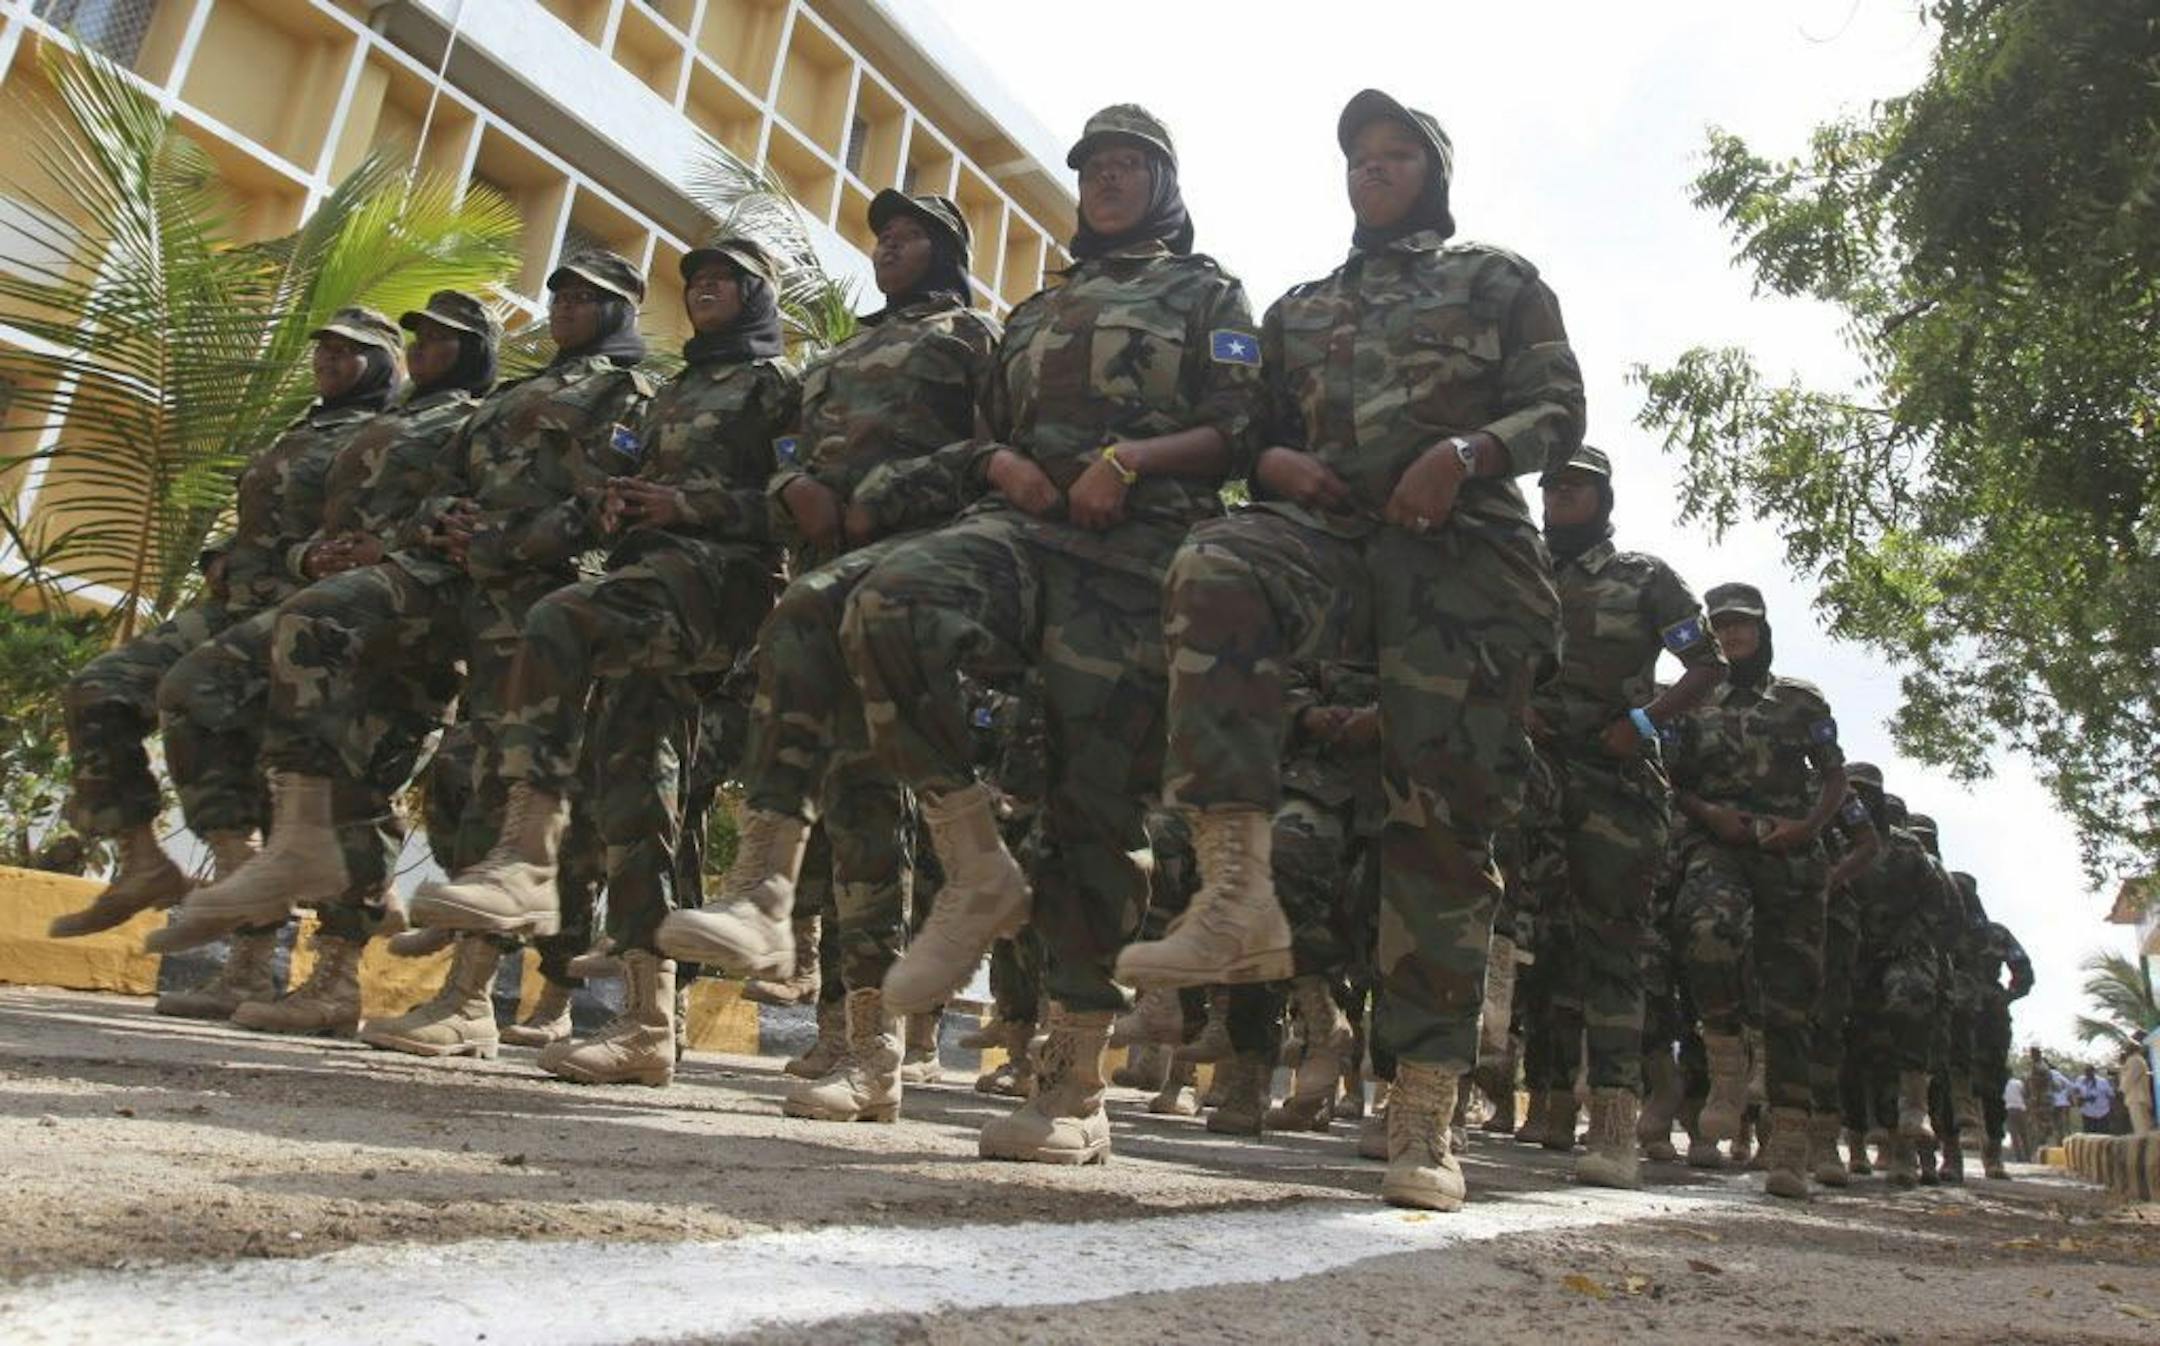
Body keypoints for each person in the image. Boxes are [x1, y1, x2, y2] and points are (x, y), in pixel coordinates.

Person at [1122, 90, 1584, 1210]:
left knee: (1440, 827)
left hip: (1460, 558)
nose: (1373, 173)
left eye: (1396, 157)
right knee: (1214, 565)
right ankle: (1235, 893)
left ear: (1434, 171)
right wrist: (1274, 466)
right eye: (1359, 159)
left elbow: (1558, 409)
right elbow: (1257, 431)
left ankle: (1425, 1106)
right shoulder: (1299, 307)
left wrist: (1468, 452)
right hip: (1328, 540)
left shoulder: (1497, 279)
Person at [836, 102, 1262, 1165]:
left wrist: (1133, 462)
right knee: (886, 602)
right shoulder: (1034, 309)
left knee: (1090, 803)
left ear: (1161, 182)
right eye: (1094, 169)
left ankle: (1072, 1081)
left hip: (1134, 563)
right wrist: (995, 466)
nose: (1106, 182)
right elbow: (985, 433)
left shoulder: (1210, 290)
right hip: (1018, 541)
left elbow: (1244, 427)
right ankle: (974, 859)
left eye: (1128, 166)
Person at [157, 250, 658, 1062]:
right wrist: (434, 524)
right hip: (444, 582)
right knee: (318, 666)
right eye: (559, 288)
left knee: (486, 789)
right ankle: (323, 931)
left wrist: (507, 539)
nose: (565, 302)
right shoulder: (512, 396)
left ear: (624, 307)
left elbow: (612, 509)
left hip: (529, 607)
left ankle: (467, 1001)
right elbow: (439, 482)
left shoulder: (629, 393)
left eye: (587, 295)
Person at [413, 235, 802, 1086]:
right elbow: (596, 492)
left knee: (560, 621)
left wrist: (684, 503)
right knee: (632, 799)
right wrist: (620, 506)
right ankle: (644, 1023)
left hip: (714, 594)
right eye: (693, 281)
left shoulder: (775, 387)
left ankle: (528, 856)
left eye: (722, 283)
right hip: (644, 584)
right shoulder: (673, 394)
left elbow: (797, 504)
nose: (702, 293)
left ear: (756, 294)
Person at [654, 191, 1001, 1124]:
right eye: (881, 240)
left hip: (912, 586)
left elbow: (988, 453)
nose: (890, 251)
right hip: (819, 580)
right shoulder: (840, 350)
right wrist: (794, 487)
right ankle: (843, 1028)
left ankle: (879, 1041)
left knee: (880, 812)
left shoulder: (973, 337)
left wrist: (884, 494)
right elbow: (782, 455)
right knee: (850, 808)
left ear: (945, 251)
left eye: (910, 239)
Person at [152, 293, 501, 1037]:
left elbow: (479, 512)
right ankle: (250, 936)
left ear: (475, 350)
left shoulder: (480, 417)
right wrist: (299, 556)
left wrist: (395, 545)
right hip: (327, 614)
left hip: (412, 628)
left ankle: (334, 980)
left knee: (357, 785)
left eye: (449, 339)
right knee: (196, 694)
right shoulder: (382, 419)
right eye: (425, 335)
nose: (432, 346)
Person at [51, 308, 405, 1010]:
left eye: (351, 351)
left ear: (389, 362)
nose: (330, 359)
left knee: (287, 777)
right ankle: (147, 861)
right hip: (235, 605)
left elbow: (370, 538)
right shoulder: (305, 426)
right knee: (101, 688)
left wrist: (299, 560)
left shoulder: (389, 434)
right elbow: (260, 519)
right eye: (326, 347)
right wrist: (223, 555)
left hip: (314, 622)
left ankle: (271, 969)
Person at [1519, 445, 1725, 1188]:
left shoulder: (1645, 578)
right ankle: (1427, 1102)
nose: (1559, 500)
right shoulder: (1518, 565)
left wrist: (1641, 724)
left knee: (1612, 947)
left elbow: (1706, 667)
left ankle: (1611, 1122)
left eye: (1575, 489)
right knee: (1477, 922)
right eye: (1552, 489)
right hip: (1522, 769)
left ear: (1604, 500)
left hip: (1612, 777)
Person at [1667, 581, 1850, 1200]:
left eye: (1742, 624)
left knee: (1791, 999)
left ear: (1762, 629)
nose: (1733, 634)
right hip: (1718, 840)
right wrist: (1710, 815)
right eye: (1721, 626)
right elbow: (1674, 782)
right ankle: (1724, 1064)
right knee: (1705, 931)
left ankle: (1790, 1145)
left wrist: (1807, 829)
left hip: (1791, 854)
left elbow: (1833, 779)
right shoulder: (1692, 698)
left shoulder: (1799, 701)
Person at [2076, 1065, 2115, 1133]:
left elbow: (2111, 1095)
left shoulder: (2102, 1081)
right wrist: (2081, 1099)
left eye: (2089, 1072)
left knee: (2102, 1134)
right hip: (2087, 1112)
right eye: (2086, 1072)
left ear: (2094, 1072)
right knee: (2088, 1134)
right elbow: (2076, 1091)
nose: (2088, 1074)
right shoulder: (2080, 1080)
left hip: (2102, 1112)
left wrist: (2111, 1109)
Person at [2003, 1073, 2030, 1162]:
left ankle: (2019, 1158)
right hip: (2020, 1109)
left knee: (2014, 1135)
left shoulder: (2001, 1084)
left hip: (2008, 1110)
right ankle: (2028, 1156)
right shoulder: (2018, 1083)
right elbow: (2025, 1094)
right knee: (2024, 1134)